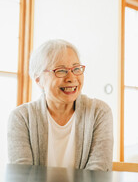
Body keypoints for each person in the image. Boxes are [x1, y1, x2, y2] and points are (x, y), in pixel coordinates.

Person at [8, 39, 113, 171]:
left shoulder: (99, 112)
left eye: (76, 69)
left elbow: (98, 173)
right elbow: (23, 176)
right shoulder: (21, 117)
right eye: (61, 71)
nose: (71, 78)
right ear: (39, 80)